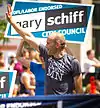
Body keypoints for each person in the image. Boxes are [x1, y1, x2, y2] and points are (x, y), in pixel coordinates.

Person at [6, 4, 83, 95]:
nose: (45, 45)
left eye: (48, 43)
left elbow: (79, 90)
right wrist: (12, 22)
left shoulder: (73, 62)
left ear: (57, 45)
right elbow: (28, 36)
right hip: (47, 103)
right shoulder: (47, 54)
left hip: (64, 104)